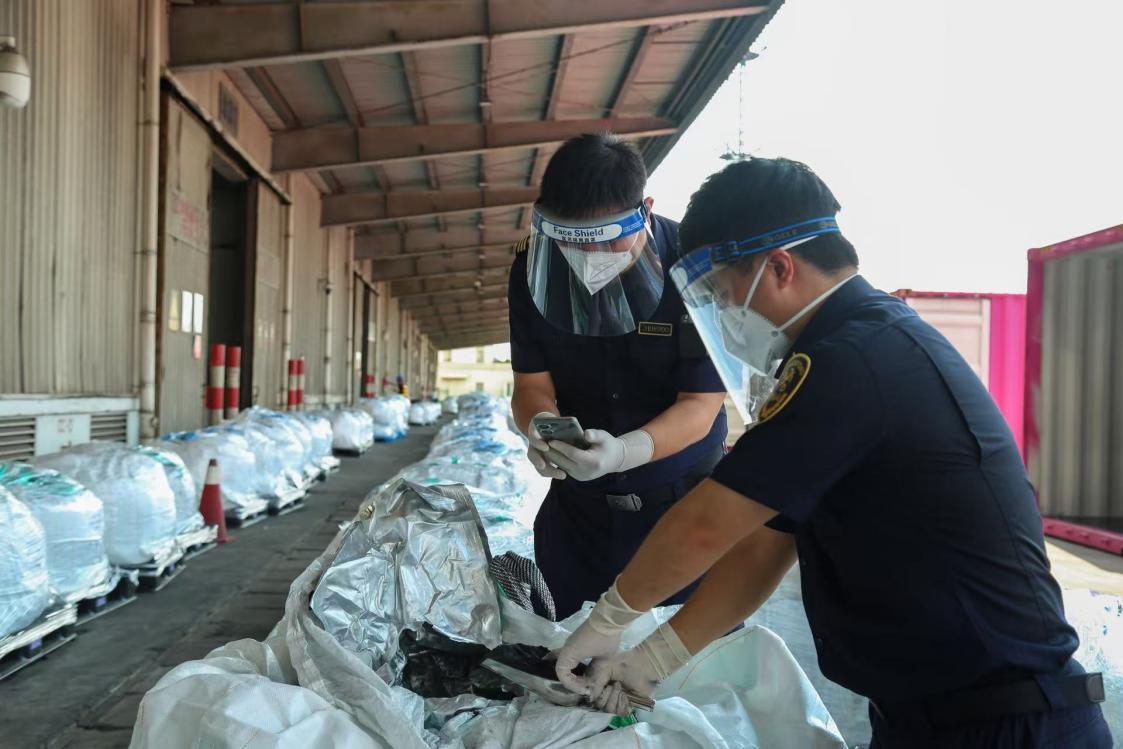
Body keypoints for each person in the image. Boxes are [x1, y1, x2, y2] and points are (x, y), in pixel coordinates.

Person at [554, 158, 1111, 748]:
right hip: (943, 717)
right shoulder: (862, 346)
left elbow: (705, 526)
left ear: (779, 267)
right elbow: (765, 545)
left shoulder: (853, 360)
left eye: (721, 294)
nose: (724, 316)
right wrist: (651, 660)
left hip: (1004, 725)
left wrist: (609, 618)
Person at [508, 133, 728, 619]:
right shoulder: (530, 270)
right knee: (560, 646)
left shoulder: (696, 267)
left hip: (682, 507)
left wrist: (625, 452)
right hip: (578, 514)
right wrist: (541, 429)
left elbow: (701, 403)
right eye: (570, 242)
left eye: (608, 240)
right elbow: (530, 386)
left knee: (675, 656)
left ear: (645, 210)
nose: (591, 258)